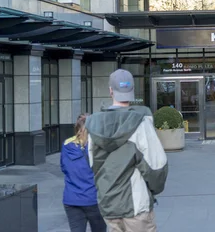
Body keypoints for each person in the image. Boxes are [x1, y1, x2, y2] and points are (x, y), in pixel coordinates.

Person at [85, 69, 168, 232]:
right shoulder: (140, 122)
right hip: (136, 207)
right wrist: (152, 191)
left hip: (109, 205)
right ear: (131, 92)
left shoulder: (93, 125)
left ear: (110, 91)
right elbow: (157, 167)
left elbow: (93, 165)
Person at [61, 113, 106, 232]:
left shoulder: (66, 144)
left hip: (71, 199)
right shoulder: (97, 146)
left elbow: (64, 168)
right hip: (93, 199)